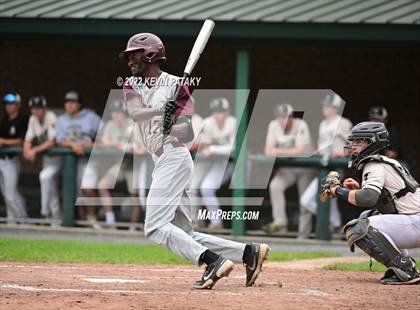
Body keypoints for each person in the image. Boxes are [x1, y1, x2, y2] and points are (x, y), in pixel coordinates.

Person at [119, 32, 269, 289]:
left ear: (151, 54)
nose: (129, 60)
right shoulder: (131, 84)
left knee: (154, 227)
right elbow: (135, 114)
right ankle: (247, 253)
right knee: (184, 233)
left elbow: (186, 132)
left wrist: (173, 123)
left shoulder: (179, 87)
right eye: (129, 55)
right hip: (162, 160)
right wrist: (160, 112)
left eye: (135, 54)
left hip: (174, 157)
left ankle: (212, 261)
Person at [323, 122, 420, 285]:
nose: (353, 146)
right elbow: (387, 201)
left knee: (358, 227)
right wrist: (359, 189)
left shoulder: (374, 164)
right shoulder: (385, 161)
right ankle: (405, 265)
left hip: (415, 222)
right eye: (353, 141)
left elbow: (368, 198)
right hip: (414, 220)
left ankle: (405, 268)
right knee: (368, 216)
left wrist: (337, 190)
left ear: (371, 143)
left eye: (359, 141)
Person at [300, 94, 352, 234]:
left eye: (329, 106)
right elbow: (323, 145)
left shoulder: (344, 122)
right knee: (326, 199)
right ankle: (335, 224)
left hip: (337, 167)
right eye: (325, 105)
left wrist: (342, 153)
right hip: (324, 166)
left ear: (336, 108)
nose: (326, 108)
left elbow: (353, 146)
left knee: (311, 199)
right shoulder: (323, 124)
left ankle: (334, 224)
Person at [264, 103, 315, 238]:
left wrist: (278, 151)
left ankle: (303, 235)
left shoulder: (301, 125)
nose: (282, 120)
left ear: (291, 117)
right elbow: (268, 151)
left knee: (305, 200)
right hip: (288, 168)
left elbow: (300, 150)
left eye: (285, 117)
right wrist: (286, 152)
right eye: (279, 117)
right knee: (275, 186)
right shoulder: (273, 125)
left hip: (306, 167)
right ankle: (280, 223)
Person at [97, 100, 145, 231]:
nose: (115, 115)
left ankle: (132, 227)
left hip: (134, 165)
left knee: (134, 196)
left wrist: (122, 145)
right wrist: (116, 144)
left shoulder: (133, 125)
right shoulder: (110, 125)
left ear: (124, 113)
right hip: (120, 165)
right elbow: (103, 141)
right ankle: (110, 220)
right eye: (113, 112)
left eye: (118, 113)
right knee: (102, 185)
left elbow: (141, 148)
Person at [55, 90, 101, 227]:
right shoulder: (61, 119)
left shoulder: (90, 116)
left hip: (87, 158)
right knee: (75, 191)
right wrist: (73, 144)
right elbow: (58, 140)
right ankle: (82, 221)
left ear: (79, 104)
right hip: (69, 159)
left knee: (87, 188)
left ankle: (92, 217)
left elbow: (105, 135)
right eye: (67, 102)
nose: (69, 105)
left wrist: (91, 143)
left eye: (73, 102)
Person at [190, 98, 236, 230]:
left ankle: (218, 223)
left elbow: (233, 147)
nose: (217, 115)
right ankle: (214, 222)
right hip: (217, 163)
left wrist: (212, 149)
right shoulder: (208, 122)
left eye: (221, 111)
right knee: (204, 188)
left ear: (228, 112)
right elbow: (203, 144)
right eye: (215, 111)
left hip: (234, 164)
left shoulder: (233, 122)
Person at [23, 96, 61, 226]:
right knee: (51, 186)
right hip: (46, 158)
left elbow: (52, 141)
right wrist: (27, 150)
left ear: (44, 108)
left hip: (59, 157)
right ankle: (55, 220)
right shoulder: (33, 119)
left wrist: (34, 151)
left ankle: (44, 211)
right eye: (33, 108)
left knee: (45, 177)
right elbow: (28, 139)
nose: (35, 111)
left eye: (38, 108)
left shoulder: (51, 116)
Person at [0, 92, 28, 224]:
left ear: (18, 105)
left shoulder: (23, 119)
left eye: (12, 104)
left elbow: (22, 141)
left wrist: (4, 141)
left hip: (12, 160)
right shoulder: (4, 119)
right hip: (1, 160)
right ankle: (12, 219)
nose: (8, 106)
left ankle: (24, 220)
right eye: (7, 104)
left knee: (10, 195)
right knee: (7, 194)